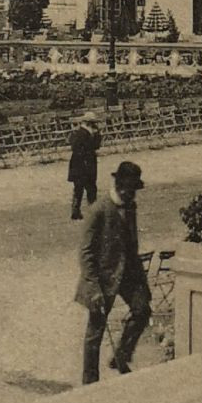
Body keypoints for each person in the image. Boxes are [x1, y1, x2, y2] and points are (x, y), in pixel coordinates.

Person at [74, 160, 151, 383]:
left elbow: (132, 246)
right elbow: (86, 252)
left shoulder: (131, 206)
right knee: (95, 331)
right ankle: (90, 381)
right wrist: (93, 287)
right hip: (102, 279)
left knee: (142, 310)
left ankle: (121, 356)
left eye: (135, 190)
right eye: (129, 190)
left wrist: (141, 283)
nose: (132, 194)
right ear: (119, 186)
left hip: (127, 274)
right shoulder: (99, 210)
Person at [67, 111, 102, 220]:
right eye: (93, 123)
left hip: (80, 164)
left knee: (79, 188)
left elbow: (96, 146)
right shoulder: (82, 134)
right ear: (88, 123)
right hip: (83, 164)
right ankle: (91, 211)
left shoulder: (82, 133)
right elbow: (89, 147)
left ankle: (76, 211)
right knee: (89, 188)